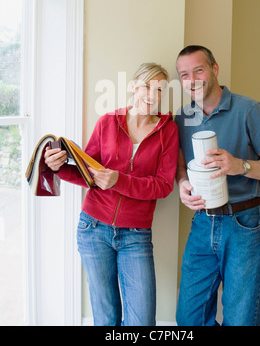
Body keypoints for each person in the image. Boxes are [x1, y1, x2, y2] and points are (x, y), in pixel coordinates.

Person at [44, 63, 179, 326]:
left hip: (136, 235)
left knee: (142, 321)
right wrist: (59, 168)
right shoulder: (107, 122)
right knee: (106, 318)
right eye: (146, 86)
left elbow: (163, 185)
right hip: (93, 228)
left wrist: (119, 180)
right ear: (132, 87)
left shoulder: (168, 131)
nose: (152, 95)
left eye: (159, 89)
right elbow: (89, 172)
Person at [175, 45, 260, 326]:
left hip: (245, 223)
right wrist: (183, 184)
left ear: (214, 69)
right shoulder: (182, 117)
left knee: (241, 319)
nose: (192, 80)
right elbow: (179, 165)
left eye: (198, 70)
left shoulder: (249, 110)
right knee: (189, 318)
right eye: (184, 74)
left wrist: (240, 165)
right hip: (202, 223)